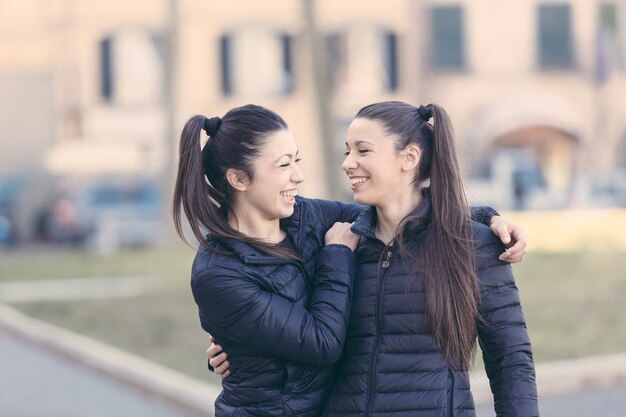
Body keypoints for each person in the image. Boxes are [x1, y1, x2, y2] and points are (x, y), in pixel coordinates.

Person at [209, 102, 538, 416]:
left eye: (362, 150)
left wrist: (487, 218)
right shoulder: (337, 241)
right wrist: (235, 344)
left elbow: (510, 360)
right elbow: (288, 319)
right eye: (347, 151)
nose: (348, 163)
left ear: (408, 157)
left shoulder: (474, 245)